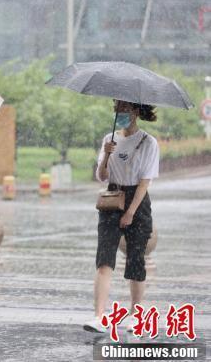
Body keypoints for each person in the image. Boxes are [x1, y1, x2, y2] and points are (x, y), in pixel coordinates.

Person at [83, 100, 159, 333]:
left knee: (136, 260)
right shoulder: (109, 139)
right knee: (104, 259)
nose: (119, 112)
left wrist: (131, 212)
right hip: (111, 198)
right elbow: (102, 176)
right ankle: (99, 316)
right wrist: (106, 156)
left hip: (136, 201)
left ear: (136, 111)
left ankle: (137, 316)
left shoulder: (149, 142)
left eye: (124, 108)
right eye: (117, 108)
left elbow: (145, 182)